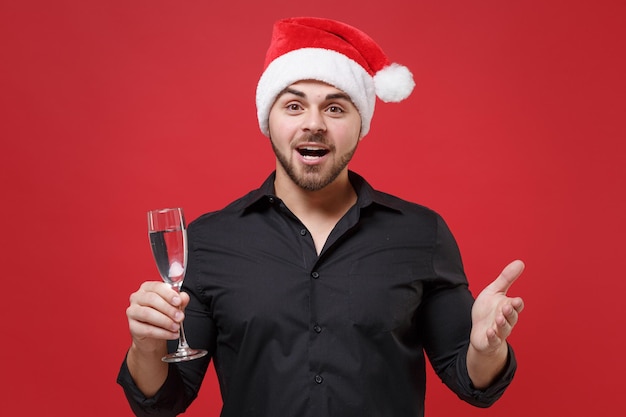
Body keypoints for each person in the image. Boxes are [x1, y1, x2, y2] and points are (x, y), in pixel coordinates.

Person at [117, 17, 525, 417]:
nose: (314, 124)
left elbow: (473, 383)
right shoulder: (207, 241)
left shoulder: (422, 233)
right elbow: (162, 403)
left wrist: (485, 349)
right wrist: (146, 346)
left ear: (360, 122)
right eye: (294, 105)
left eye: (335, 107)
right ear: (268, 120)